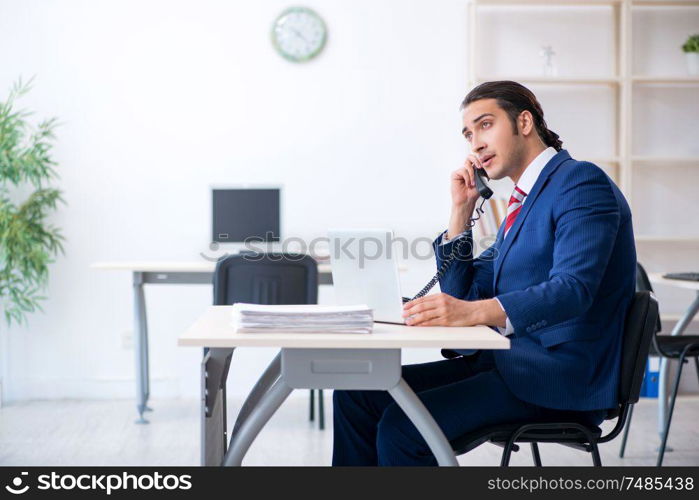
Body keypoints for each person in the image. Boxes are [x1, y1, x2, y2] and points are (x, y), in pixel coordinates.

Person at [332, 80, 636, 466]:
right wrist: (461, 213)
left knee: (403, 427)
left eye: (485, 125)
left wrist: (471, 313)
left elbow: (573, 289)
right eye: (468, 133)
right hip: (505, 363)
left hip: (555, 377)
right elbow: (466, 291)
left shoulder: (580, 182)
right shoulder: (523, 203)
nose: (474, 142)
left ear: (524, 122)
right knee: (357, 395)